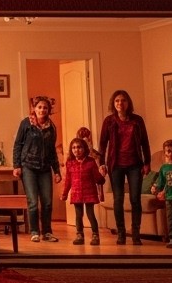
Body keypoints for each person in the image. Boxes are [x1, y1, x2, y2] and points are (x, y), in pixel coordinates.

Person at [97, 89, 152, 245]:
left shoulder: (137, 120)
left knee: (135, 199)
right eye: (117, 101)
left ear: (128, 103)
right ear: (113, 104)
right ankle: (121, 233)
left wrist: (147, 162)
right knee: (118, 199)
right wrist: (101, 163)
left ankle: (136, 234)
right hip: (115, 165)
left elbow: (145, 142)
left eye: (123, 100)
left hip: (135, 164)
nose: (120, 103)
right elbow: (102, 144)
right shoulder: (109, 121)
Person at [12, 95, 62, 242]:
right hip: (28, 167)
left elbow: (52, 151)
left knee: (47, 201)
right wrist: (17, 166)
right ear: (34, 108)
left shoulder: (51, 127)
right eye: (39, 107)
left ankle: (47, 232)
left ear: (48, 110)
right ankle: (34, 231)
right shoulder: (26, 123)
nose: (42, 110)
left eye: (45, 108)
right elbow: (18, 145)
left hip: (45, 168)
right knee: (33, 201)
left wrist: (57, 171)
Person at [60, 136, 105, 245]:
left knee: (90, 214)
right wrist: (64, 193)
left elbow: (97, 177)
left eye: (79, 147)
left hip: (89, 192)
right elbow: (68, 180)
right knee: (78, 215)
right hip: (76, 193)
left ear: (84, 148)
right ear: (71, 150)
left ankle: (95, 235)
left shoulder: (91, 161)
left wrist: (102, 177)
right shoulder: (70, 162)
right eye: (74, 148)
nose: (76, 150)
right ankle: (79, 235)